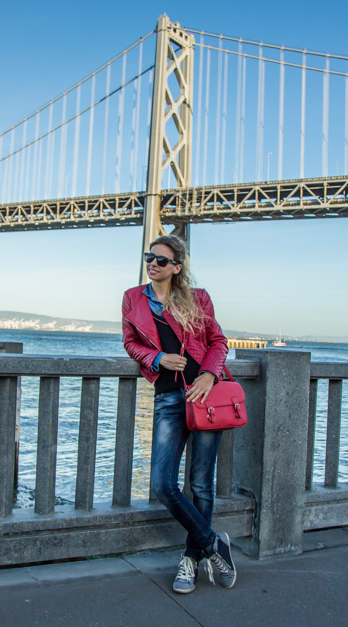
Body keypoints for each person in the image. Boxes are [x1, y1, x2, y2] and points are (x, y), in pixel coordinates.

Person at [121, 234, 237, 594]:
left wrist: (208, 374)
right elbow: (130, 342)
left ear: (176, 267)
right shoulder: (132, 298)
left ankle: (191, 557)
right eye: (149, 258)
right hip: (169, 398)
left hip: (205, 396)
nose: (152, 264)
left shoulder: (198, 298)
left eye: (160, 260)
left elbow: (218, 341)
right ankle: (213, 544)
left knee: (201, 482)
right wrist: (156, 358)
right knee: (163, 484)